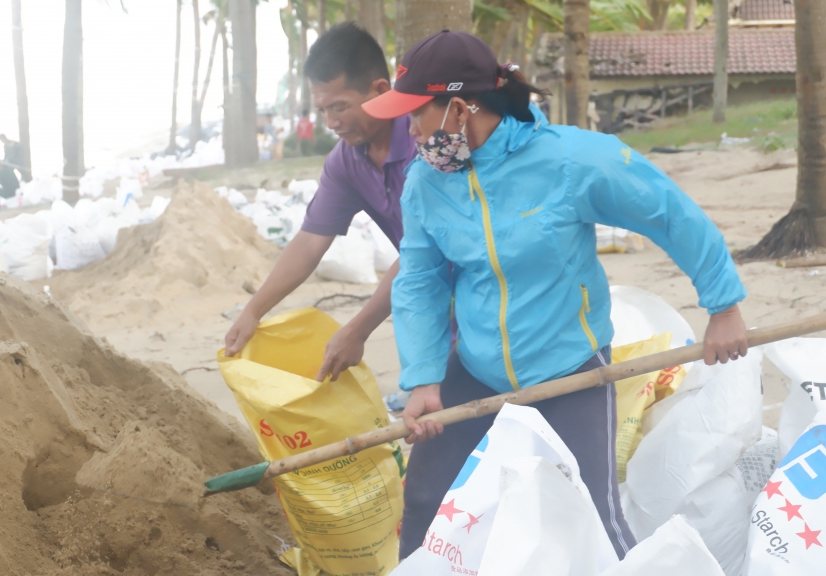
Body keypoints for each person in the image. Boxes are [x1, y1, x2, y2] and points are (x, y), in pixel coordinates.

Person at [361, 30, 749, 560]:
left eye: (416, 116)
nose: (408, 131)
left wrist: (722, 306)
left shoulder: (570, 160)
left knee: (588, 509)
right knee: (430, 498)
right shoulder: (426, 181)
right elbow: (421, 278)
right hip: (475, 368)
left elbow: (668, 212)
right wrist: (424, 377)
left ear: (458, 109)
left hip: (571, 370)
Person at [224, 22, 419, 382]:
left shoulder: (426, 143)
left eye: (340, 106)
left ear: (380, 90)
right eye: (323, 109)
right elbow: (311, 241)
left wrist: (358, 329)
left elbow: (424, 250)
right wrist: (254, 311)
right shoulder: (346, 160)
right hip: (428, 310)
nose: (331, 123)